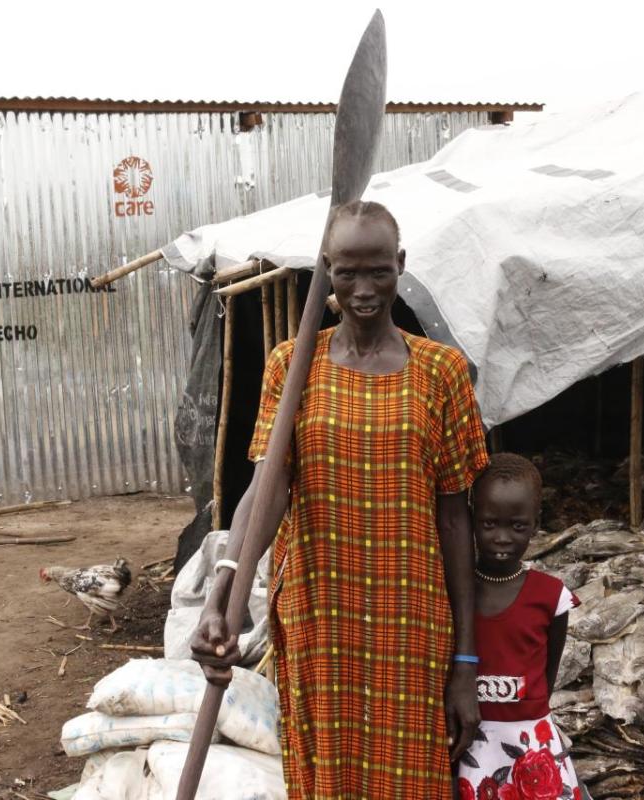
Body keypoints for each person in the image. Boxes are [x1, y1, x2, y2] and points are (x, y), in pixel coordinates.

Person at [191, 200, 490, 799]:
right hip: (320, 615)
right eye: (346, 271)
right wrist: (222, 590)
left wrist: (464, 662)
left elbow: (457, 522)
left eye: (377, 270)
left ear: (400, 264)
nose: (362, 289)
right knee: (326, 779)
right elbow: (265, 489)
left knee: (412, 783)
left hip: (412, 621)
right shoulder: (292, 365)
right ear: (325, 269)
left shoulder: (442, 371)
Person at [457, 452, 586, 800]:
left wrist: (530, 711)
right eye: (489, 524)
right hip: (473, 737)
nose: (502, 538)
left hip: (529, 737)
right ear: (471, 519)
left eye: (517, 526)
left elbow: (548, 672)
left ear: (536, 521)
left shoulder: (550, 595)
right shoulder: (455, 590)